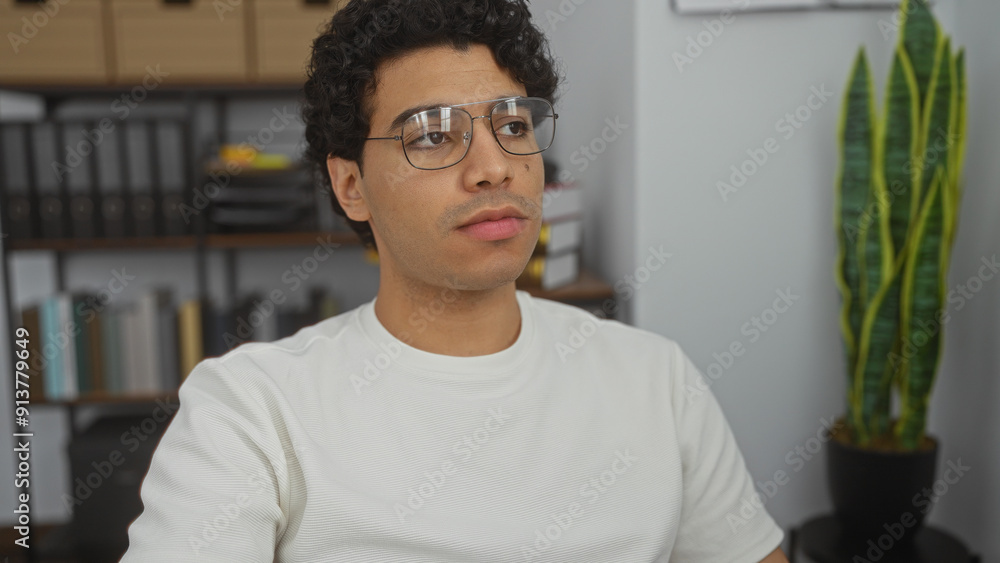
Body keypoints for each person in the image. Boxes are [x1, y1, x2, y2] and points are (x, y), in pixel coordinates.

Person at [121, 0, 788, 561]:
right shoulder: (251, 409)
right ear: (350, 185)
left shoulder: (656, 380)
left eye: (513, 125)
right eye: (434, 135)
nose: (494, 167)